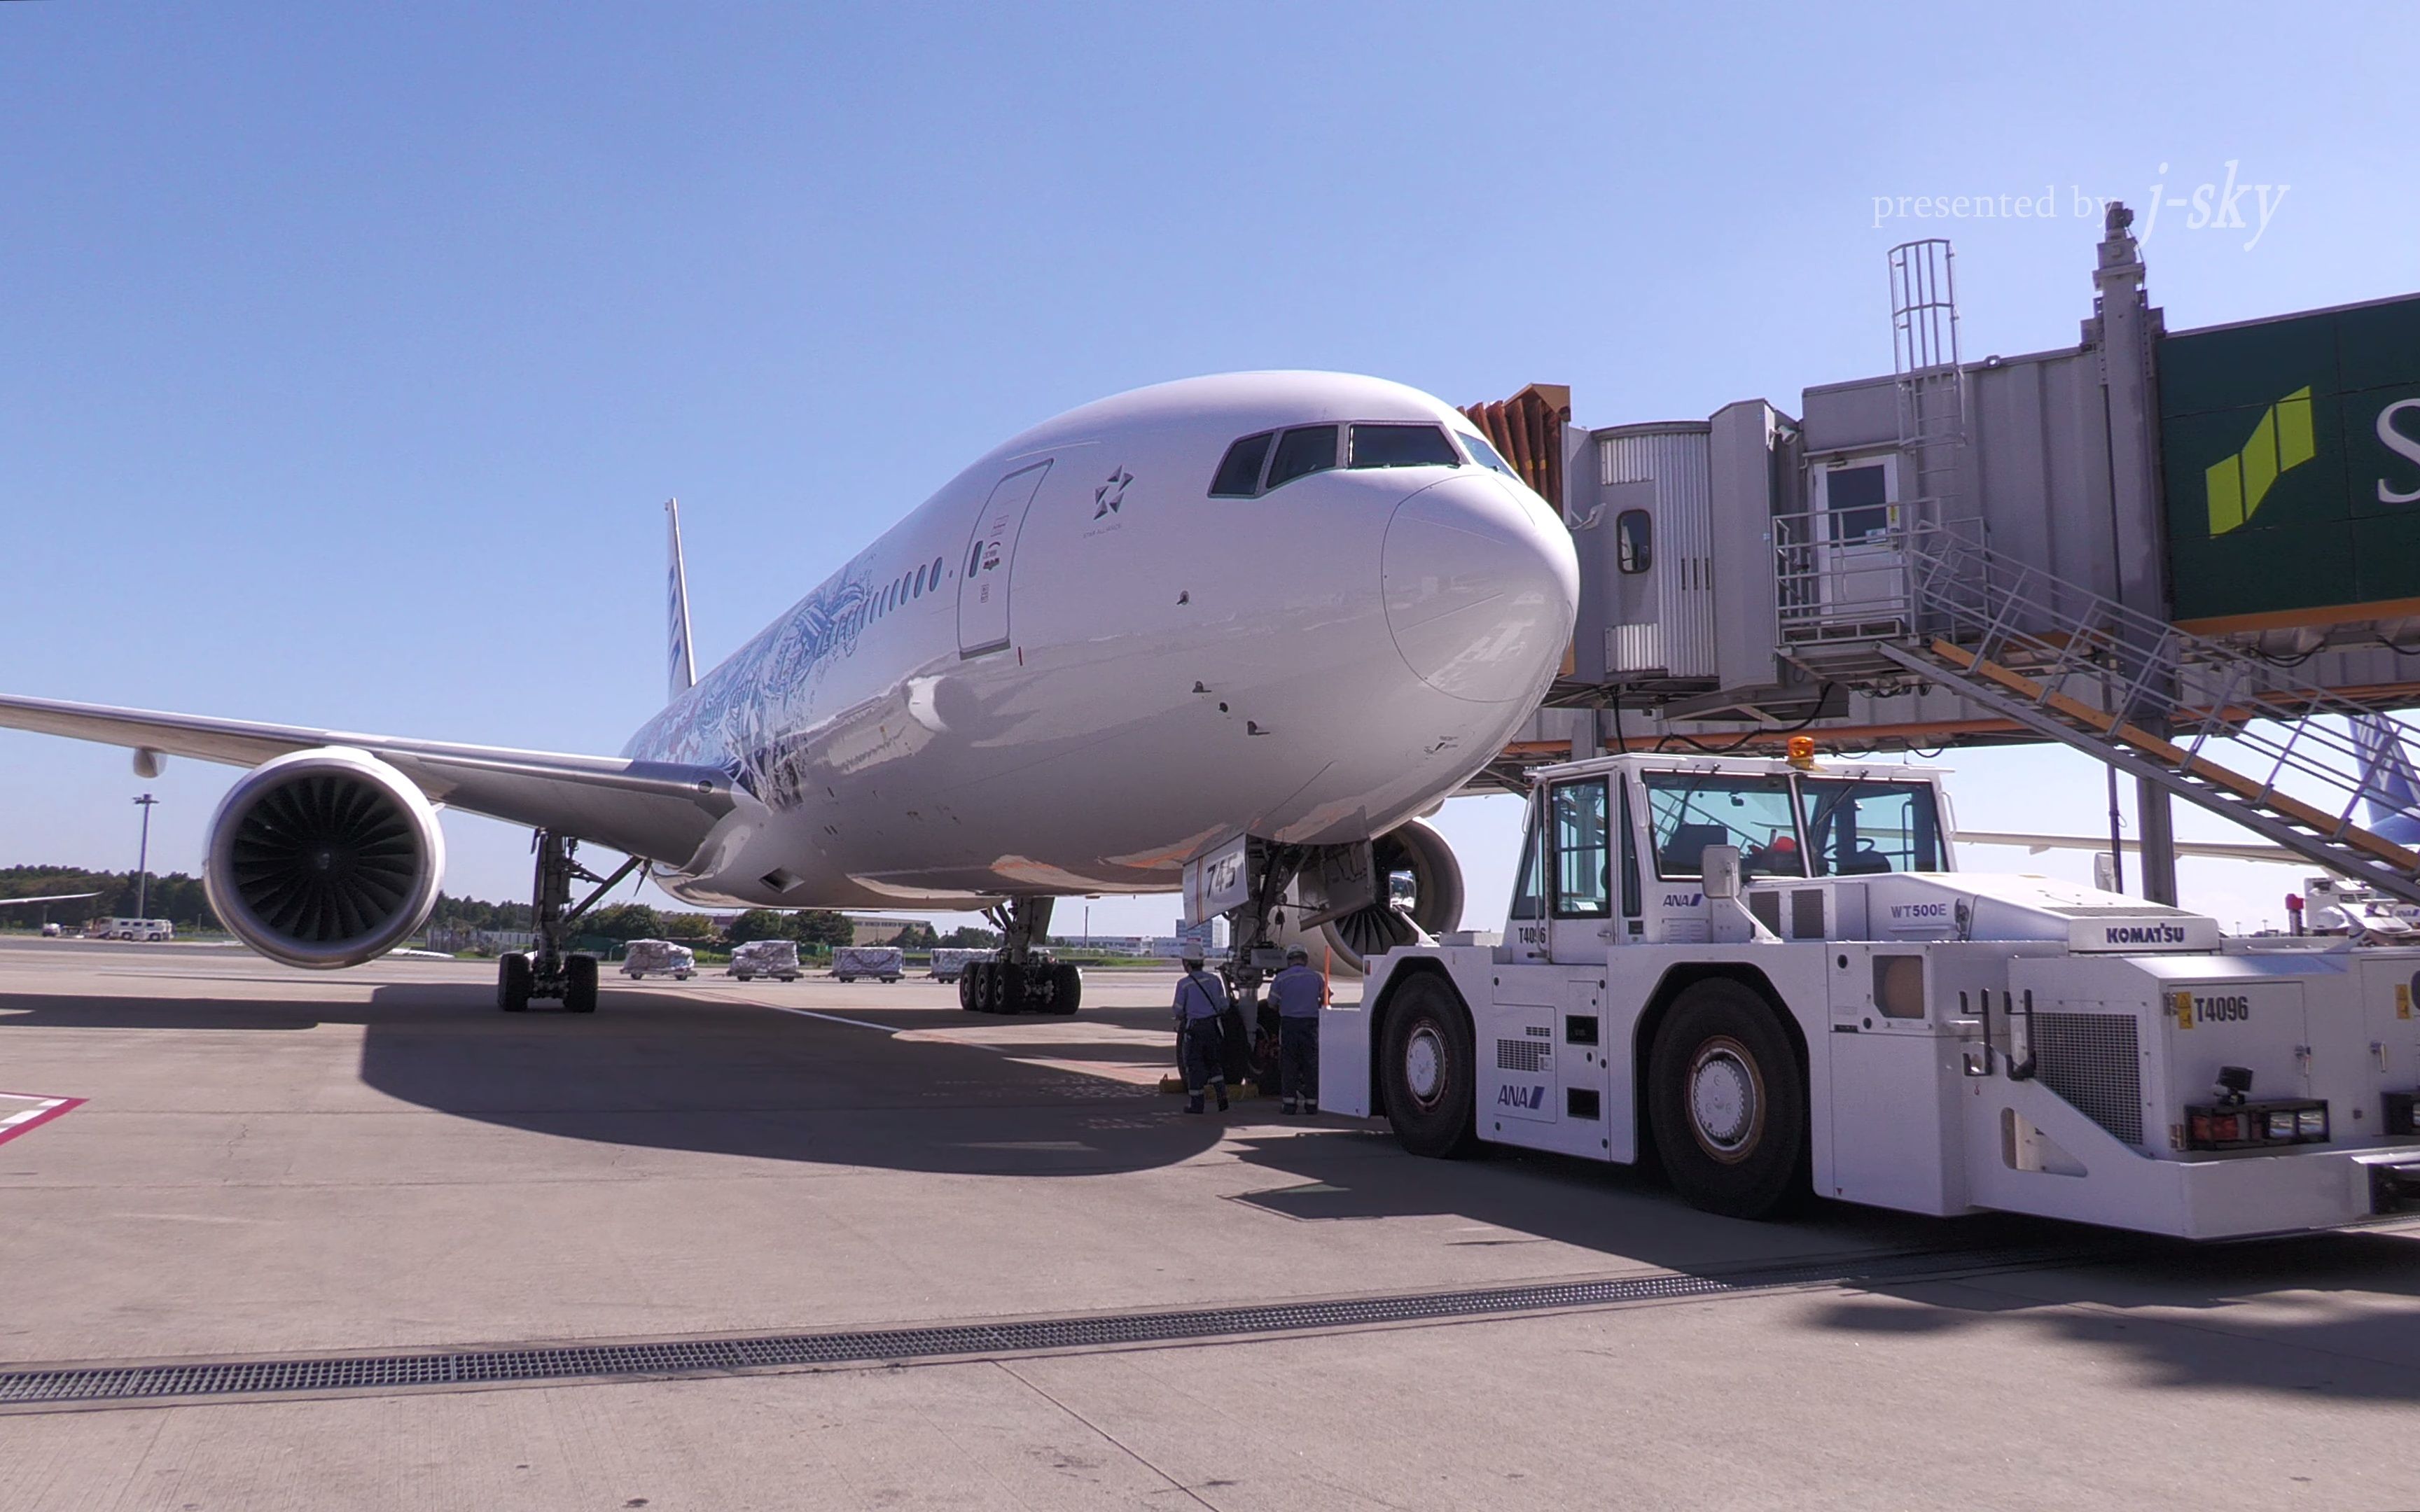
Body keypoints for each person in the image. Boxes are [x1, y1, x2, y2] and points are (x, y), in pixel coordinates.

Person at [1267, 946, 1325, 1114]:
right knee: (1311, 1064)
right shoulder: (1316, 977)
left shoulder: (1281, 978)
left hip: (1290, 1025)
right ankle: (1312, 1104)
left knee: (1289, 1065)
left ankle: (1289, 1104)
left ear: (1289, 960)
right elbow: (1325, 998)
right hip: (1311, 1025)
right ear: (1306, 959)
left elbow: (1271, 1004)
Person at [1171, 955, 1230, 1114]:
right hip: (1212, 1027)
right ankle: (1222, 1096)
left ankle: (1197, 1105)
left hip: (1195, 1028)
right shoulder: (1214, 980)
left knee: (1195, 1066)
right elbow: (1223, 1005)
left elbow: (1178, 1009)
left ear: (1187, 963)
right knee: (1214, 1063)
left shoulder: (1184, 984)